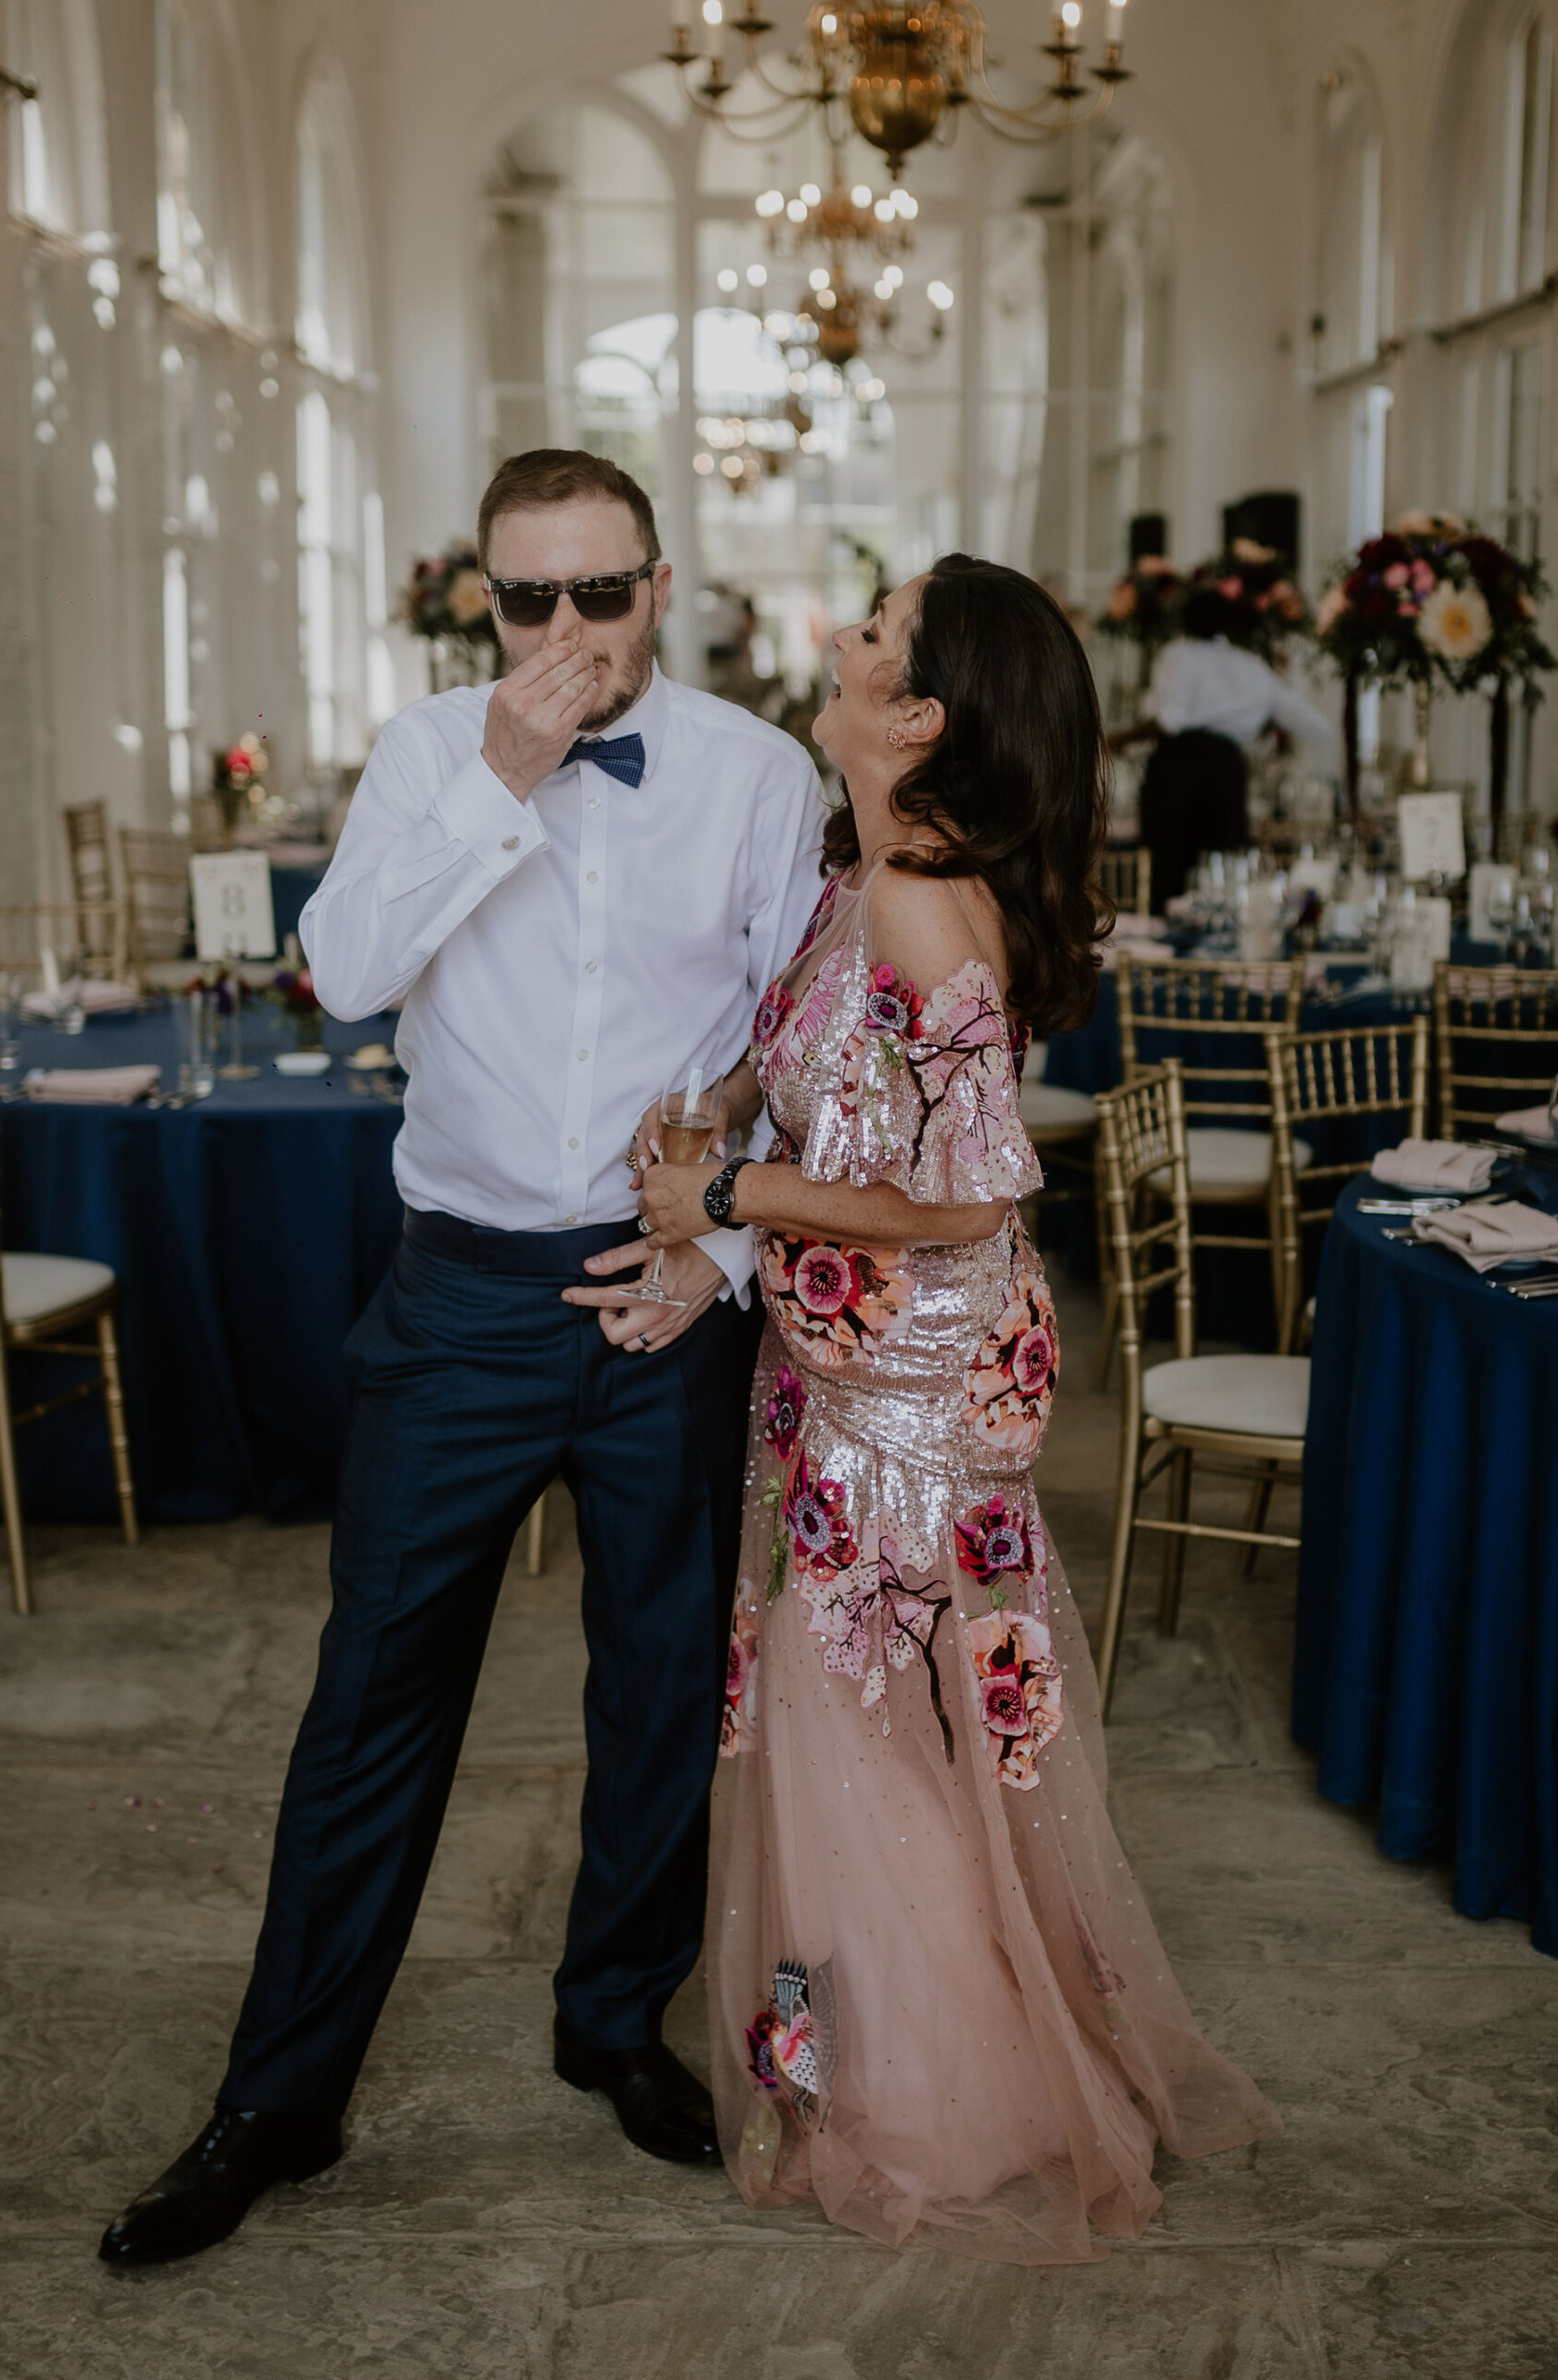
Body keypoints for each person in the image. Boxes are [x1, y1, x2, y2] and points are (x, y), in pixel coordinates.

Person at [98, 449, 828, 2268]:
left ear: (662, 588)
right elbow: (339, 975)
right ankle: (280, 2093)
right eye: (528, 601)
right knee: (373, 1699)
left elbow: (795, 1035)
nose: (566, 634)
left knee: (661, 1683)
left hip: (666, 1297)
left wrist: (722, 1249)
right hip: (462, 1298)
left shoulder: (752, 771)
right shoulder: (432, 754)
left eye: (602, 594)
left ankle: (612, 2023)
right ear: (480, 604)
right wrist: (498, 780)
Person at [638, 556, 1280, 2261]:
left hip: (910, 1387)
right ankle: (892, 2050)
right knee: (879, 1717)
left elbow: (973, 1190)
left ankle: (939, 2093)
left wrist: (739, 1203)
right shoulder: (872, 877)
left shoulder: (923, 898)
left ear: (915, 716)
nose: (837, 642)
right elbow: (850, 1098)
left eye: (870, 632)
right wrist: (720, 1135)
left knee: (866, 1720)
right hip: (849, 1364)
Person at [1109, 586, 1337, 911]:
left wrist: (1120, 738)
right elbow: (1314, 726)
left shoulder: (1177, 654)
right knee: (1223, 866)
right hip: (1227, 770)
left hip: (1177, 768)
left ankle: (1169, 945)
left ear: (1185, 621)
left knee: (1168, 868)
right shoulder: (1251, 665)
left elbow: (1171, 721)